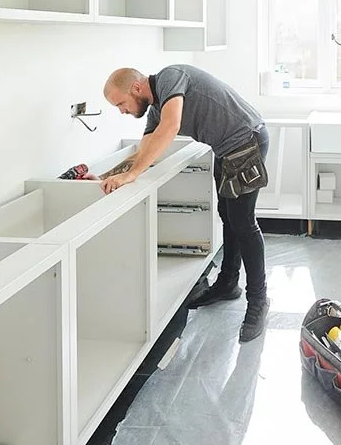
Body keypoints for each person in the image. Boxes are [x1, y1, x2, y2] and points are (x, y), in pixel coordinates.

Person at [89, 64, 271, 342]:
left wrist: (132, 175)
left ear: (136, 88)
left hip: (247, 141)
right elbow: (144, 151)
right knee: (228, 216)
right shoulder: (156, 110)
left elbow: (172, 125)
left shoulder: (170, 78)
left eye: (121, 104)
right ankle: (228, 283)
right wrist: (106, 177)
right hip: (226, 149)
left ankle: (258, 301)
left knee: (243, 223)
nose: (122, 111)